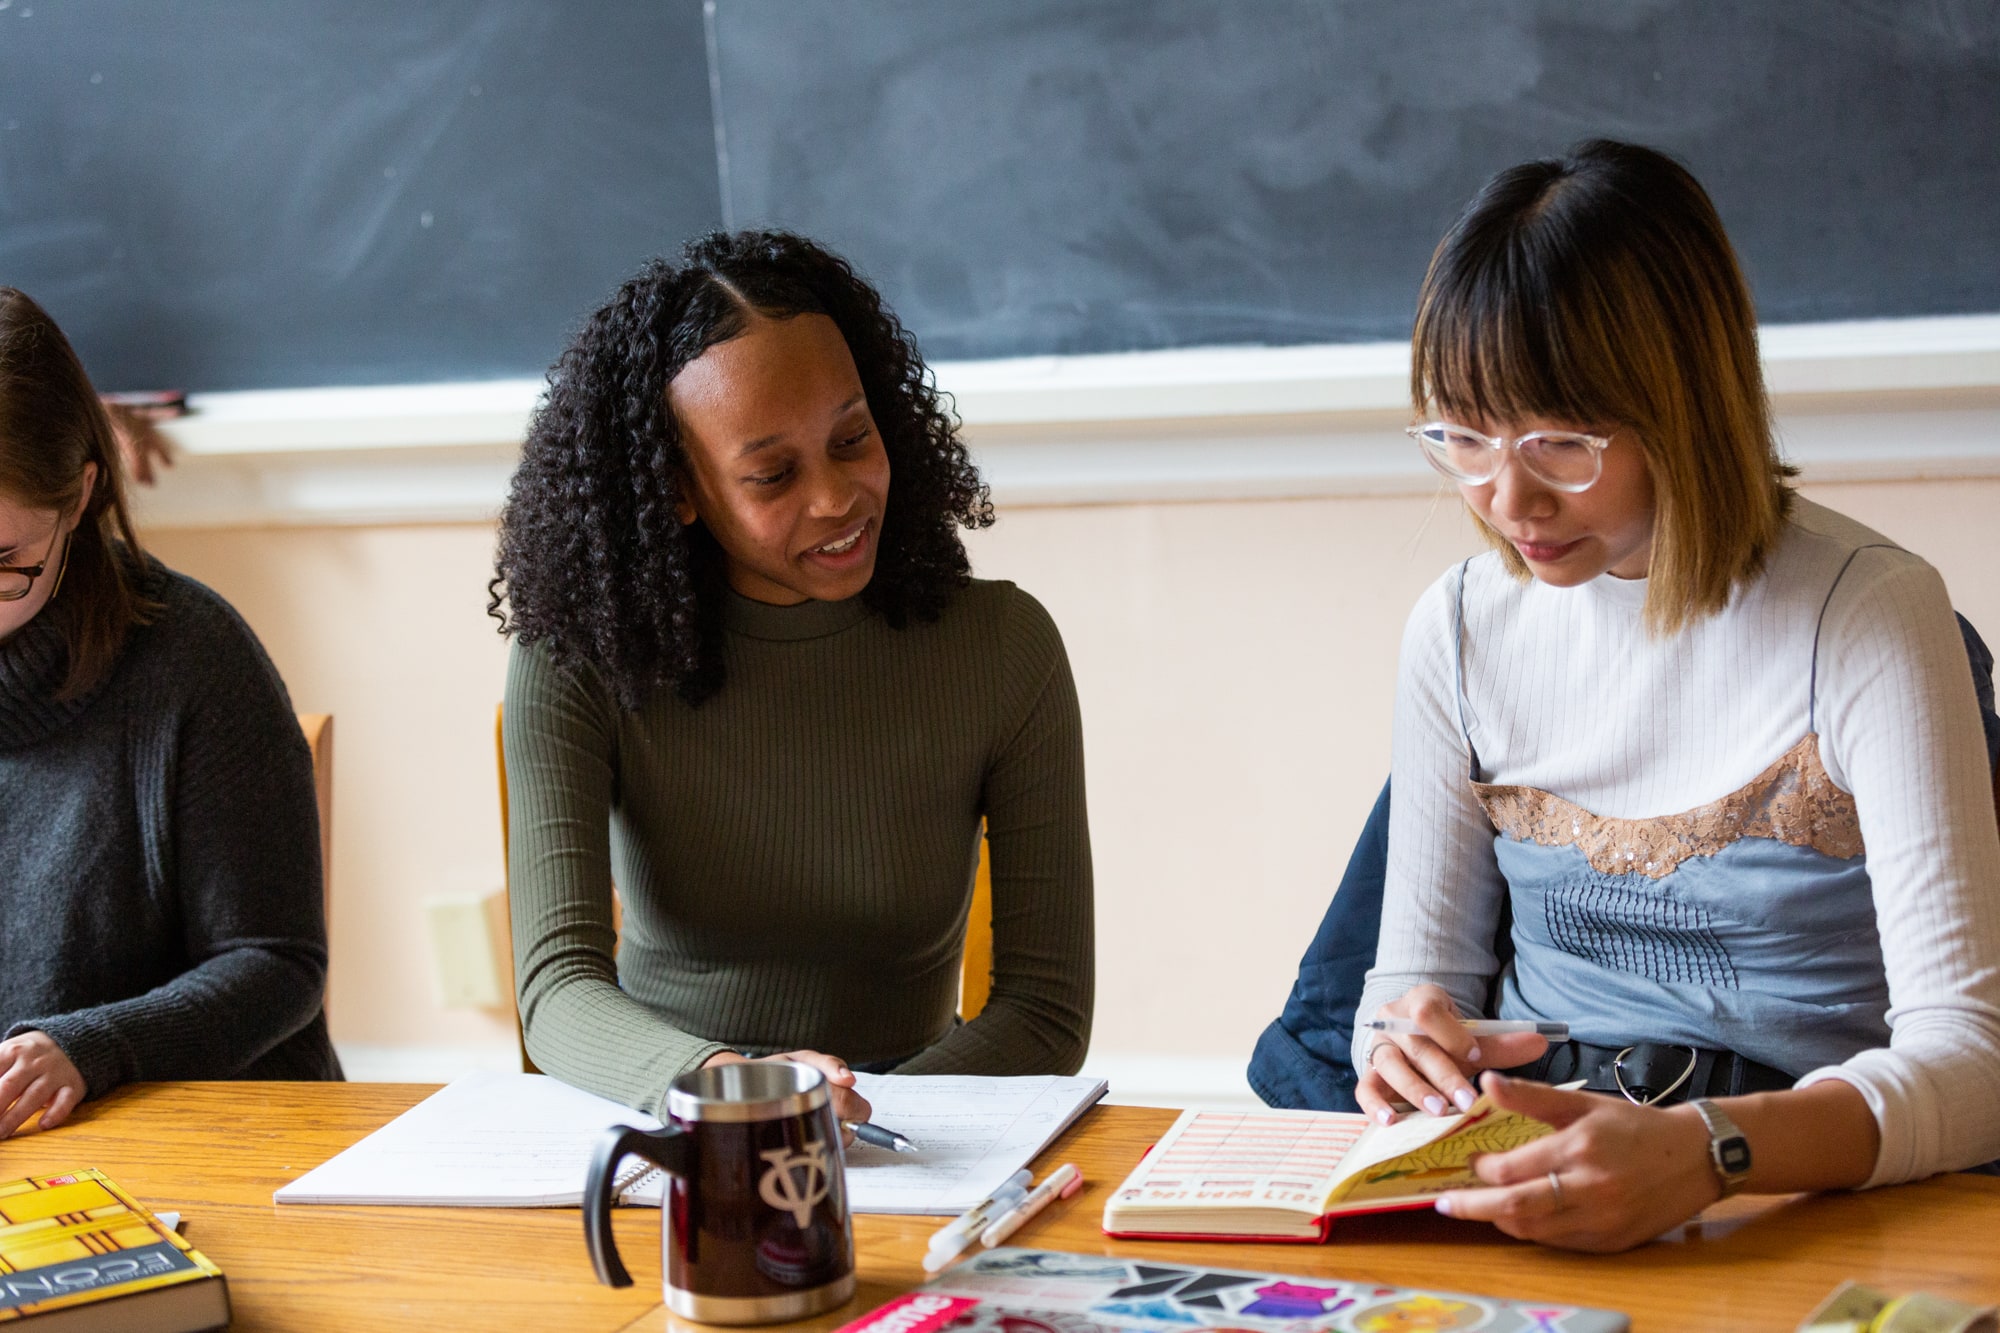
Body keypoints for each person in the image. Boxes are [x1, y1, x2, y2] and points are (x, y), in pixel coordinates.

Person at [1349, 141, 2000, 1252]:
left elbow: (1972, 1057)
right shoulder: (1457, 626)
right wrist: (1401, 1039)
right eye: (1461, 436)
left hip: (1790, 1187)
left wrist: (1709, 1150)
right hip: (1525, 1177)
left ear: (1679, 404)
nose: (1506, 497)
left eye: (1560, 441)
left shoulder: (1865, 613)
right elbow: (1409, 990)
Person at [490, 231, 1094, 1124]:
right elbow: (557, 988)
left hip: (923, 1124)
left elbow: (1046, 1012)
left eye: (853, 438)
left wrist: (858, 1112)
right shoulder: (577, 660)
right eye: (772, 474)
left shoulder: (1005, 647)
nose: (836, 497)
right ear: (680, 490)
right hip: (674, 1109)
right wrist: (737, 1091)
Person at [0, 288, 340, 1139]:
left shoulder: (192, 657)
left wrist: (89, 1046)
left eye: (3, 563)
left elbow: (277, 965)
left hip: (209, 1142)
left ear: (79, 499)